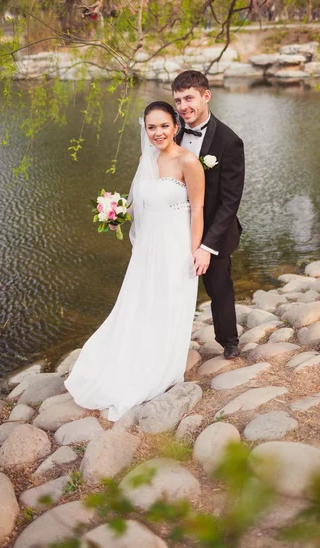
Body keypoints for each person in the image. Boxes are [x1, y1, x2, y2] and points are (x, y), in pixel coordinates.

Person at [65, 101, 205, 421]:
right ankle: (132, 359)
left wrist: (197, 251)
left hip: (176, 248)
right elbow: (140, 204)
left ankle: (163, 368)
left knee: (169, 306)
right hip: (147, 250)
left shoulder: (188, 162)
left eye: (164, 126)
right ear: (145, 129)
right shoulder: (146, 159)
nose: (158, 133)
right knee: (140, 304)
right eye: (151, 127)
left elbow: (198, 209)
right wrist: (116, 214)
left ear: (175, 126)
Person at [172, 70, 245, 359]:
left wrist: (206, 246)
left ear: (206, 96)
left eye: (189, 98)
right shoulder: (171, 131)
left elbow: (230, 202)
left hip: (215, 229)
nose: (183, 107)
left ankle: (229, 341)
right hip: (176, 225)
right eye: (177, 100)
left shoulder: (229, 142)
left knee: (219, 287)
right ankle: (171, 343)